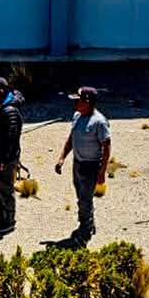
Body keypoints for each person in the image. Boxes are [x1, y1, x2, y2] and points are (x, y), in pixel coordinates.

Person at [54, 86, 111, 245]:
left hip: (91, 166)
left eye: (78, 100)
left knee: (85, 199)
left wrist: (102, 172)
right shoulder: (77, 116)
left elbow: (106, 147)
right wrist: (62, 158)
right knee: (81, 196)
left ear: (87, 102)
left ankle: (85, 230)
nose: (75, 103)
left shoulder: (99, 122)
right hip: (78, 163)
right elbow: (71, 138)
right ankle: (89, 223)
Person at [0, 76, 24, 234]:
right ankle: (1, 213)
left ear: (0, 92)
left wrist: (2, 160)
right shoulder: (1, 107)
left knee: (5, 189)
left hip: (4, 160)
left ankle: (8, 220)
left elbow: (10, 140)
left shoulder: (10, 112)